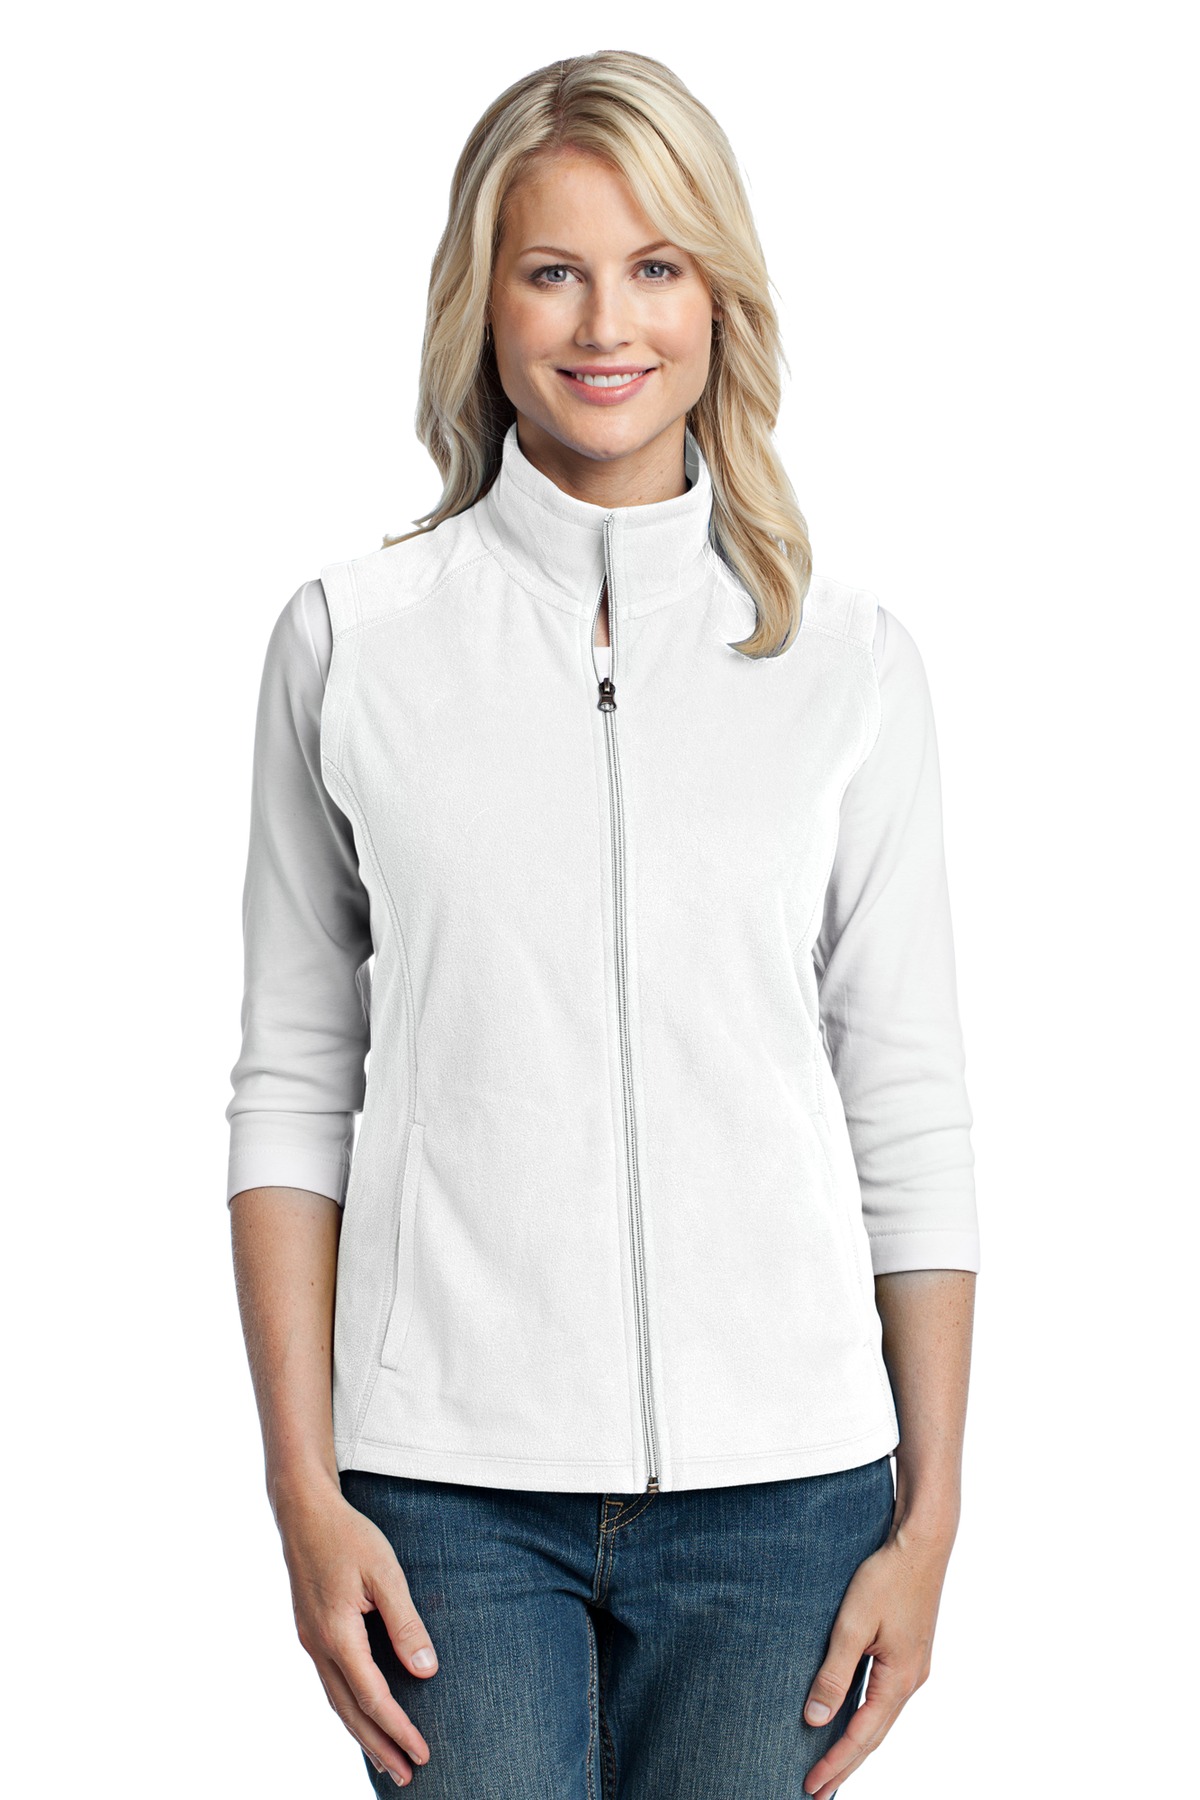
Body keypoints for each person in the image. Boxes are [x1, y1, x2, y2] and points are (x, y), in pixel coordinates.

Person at [226, 49, 979, 1800]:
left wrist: (931, 1521)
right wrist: (302, 1493)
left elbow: (909, 1100)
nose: (605, 323)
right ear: (482, 301)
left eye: (655, 266)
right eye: (552, 269)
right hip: (442, 1499)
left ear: (719, 297)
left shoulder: (846, 664)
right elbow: (290, 1092)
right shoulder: (352, 646)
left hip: (784, 1504)